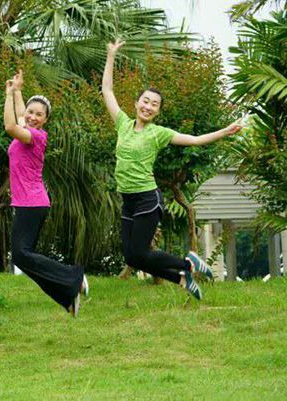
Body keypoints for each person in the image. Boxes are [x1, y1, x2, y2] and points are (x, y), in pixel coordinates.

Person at [102, 39, 243, 299]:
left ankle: (188, 263)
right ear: (136, 103)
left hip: (147, 198)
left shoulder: (159, 133)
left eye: (154, 104)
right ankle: (181, 279)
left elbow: (195, 140)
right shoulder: (122, 124)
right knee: (132, 257)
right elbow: (107, 91)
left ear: (157, 111)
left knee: (140, 253)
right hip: (128, 200)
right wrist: (111, 55)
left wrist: (224, 131)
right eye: (145, 101)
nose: (148, 106)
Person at [4, 70, 88, 316]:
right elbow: (21, 116)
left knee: (21, 255)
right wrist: (18, 91)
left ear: (45, 120)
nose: (32, 116)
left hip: (32, 202)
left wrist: (8, 94)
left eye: (38, 114)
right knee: (24, 258)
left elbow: (10, 126)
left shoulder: (36, 137)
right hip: (28, 203)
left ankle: (74, 275)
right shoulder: (27, 127)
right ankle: (67, 297)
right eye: (31, 112)